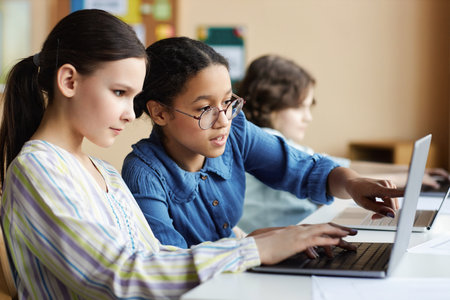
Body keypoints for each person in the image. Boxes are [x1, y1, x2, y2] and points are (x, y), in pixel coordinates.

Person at [0, 10, 362, 299]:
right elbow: (116, 276)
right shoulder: (37, 169)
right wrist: (251, 252)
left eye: (133, 96)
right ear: (69, 81)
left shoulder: (100, 171)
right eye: (120, 93)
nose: (130, 113)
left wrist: (254, 243)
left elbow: (154, 258)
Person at [121, 36, 403, 250]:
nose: (223, 120)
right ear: (159, 112)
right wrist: (256, 246)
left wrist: (352, 184)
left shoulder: (236, 132)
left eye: (229, 102)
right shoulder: (143, 173)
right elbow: (170, 264)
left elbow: (305, 171)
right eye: (204, 108)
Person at [236, 54, 450, 232]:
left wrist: (409, 170)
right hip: (282, 237)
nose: (307, 117)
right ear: (270, 104)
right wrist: (410, 176)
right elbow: (345, 174)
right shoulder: (268, 140)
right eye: (299, 107)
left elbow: (339, 168)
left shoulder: (277, 142)